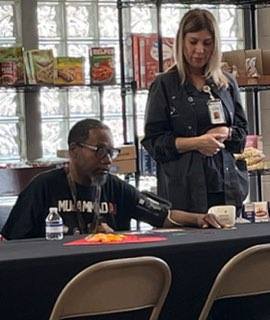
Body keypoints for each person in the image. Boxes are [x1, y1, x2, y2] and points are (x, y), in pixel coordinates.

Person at [1, 118, 224, 240]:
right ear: (74, 151)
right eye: (99, 150)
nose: (107, 160)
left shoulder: (114, 186)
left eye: (111, 152)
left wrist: (199, 219)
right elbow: (14, 242)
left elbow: (163, 216)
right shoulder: (44, 186)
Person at [142, 9, 248, 215]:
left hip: (226, 187)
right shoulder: (164, 85)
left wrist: (227, 133)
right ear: (181, 42)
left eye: (207, 43)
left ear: (215, 45)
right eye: (193, 42)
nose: (200, 50)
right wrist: (197, 143)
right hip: (183, 191)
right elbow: (154, 144)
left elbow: (242, 136)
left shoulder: (226, 83)